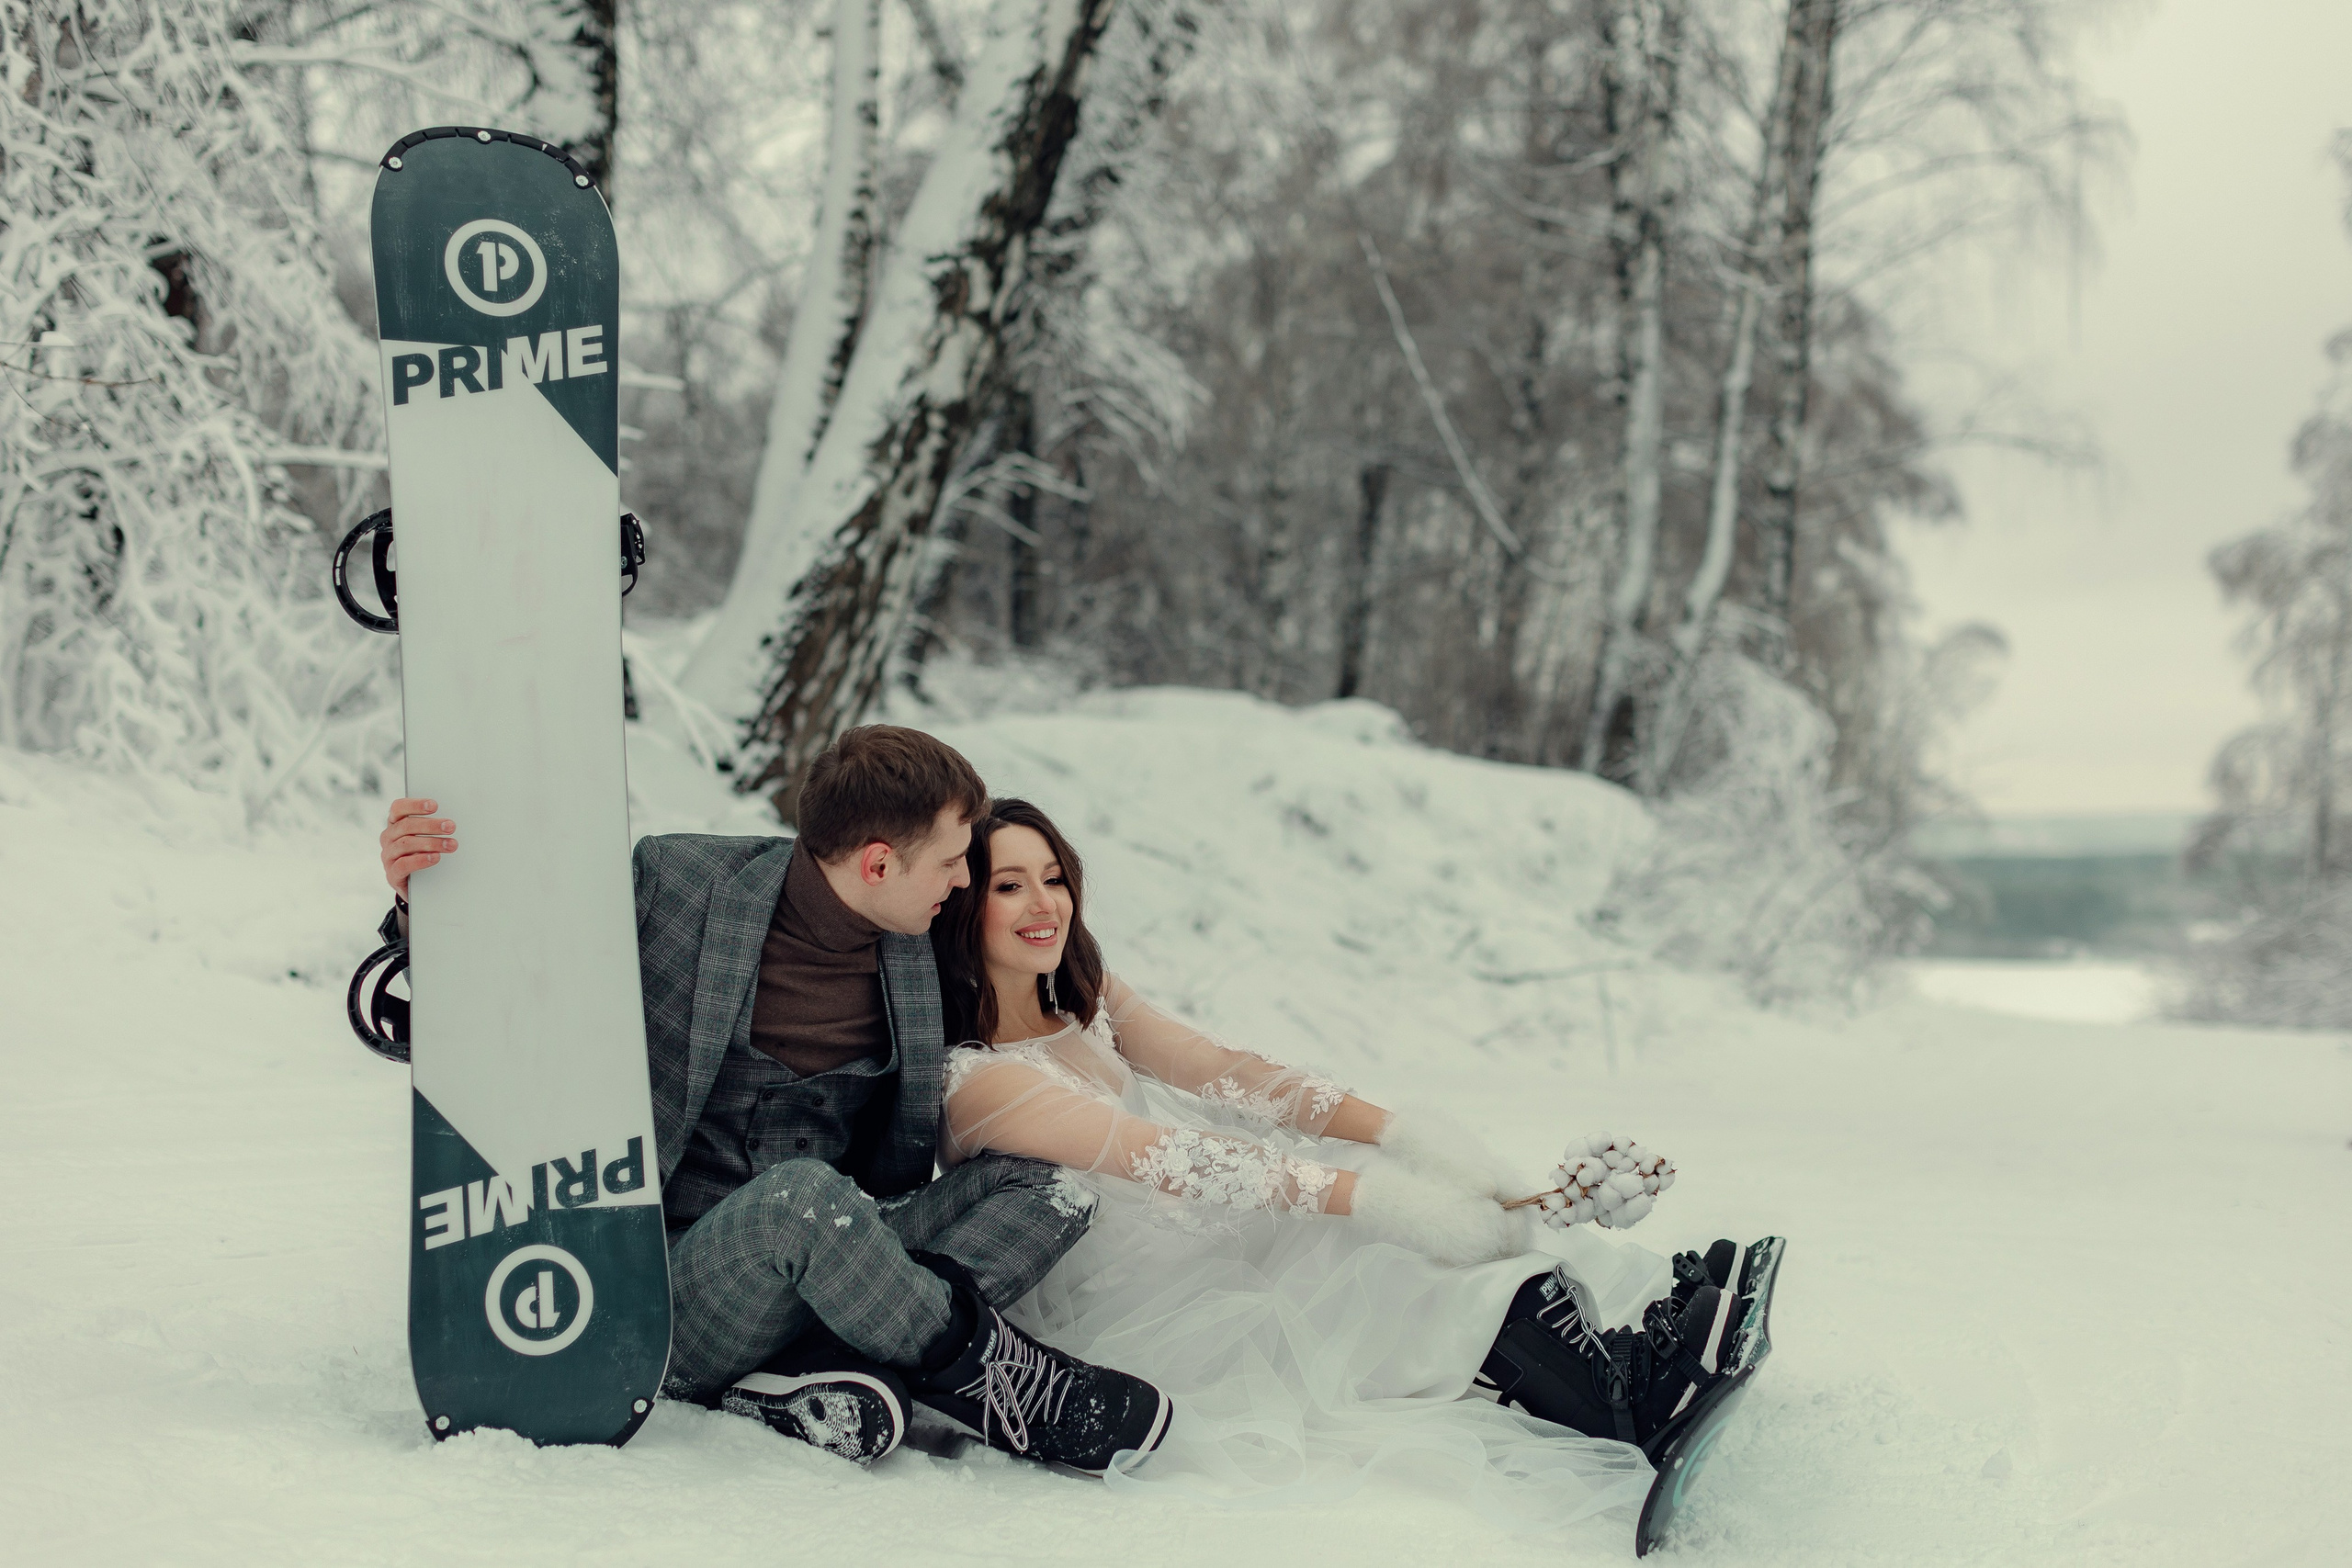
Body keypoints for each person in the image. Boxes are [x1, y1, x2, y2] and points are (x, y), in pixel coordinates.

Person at [933, 797, 1761, 1529]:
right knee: (1357, 1237)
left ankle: (1617, 1343)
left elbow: (1225, 1069)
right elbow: (1167, 1157)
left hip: (1197, 1239)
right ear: (965, 904)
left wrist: (1405, 1138)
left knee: (1358, 1164)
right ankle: (1623, 1401)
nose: (1044, 904)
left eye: (1054, 878)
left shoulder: (1084, 998)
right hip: (1147, 1296)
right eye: (1011, 886)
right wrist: (1375, 1198)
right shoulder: (978, 1079)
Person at [377, 728, 1171, 1472]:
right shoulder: (675, 884)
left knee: (1054, 1181)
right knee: (801, 1198)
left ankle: (837, 1360)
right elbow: (511, 993)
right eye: (951, 862)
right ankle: (1001, 1380)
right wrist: (430, 905)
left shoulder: (923, 935)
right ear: (878, 863)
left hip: (844, 1256)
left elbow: (1039, 974)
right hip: (669, 1285)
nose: (964, 880)